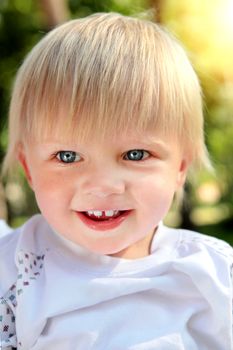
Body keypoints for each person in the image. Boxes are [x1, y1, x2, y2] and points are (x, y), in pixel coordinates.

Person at [0, 12, 232, 350]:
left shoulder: (215, 277)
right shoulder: (13, 269)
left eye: (135, 155)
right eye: (67, 157)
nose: (103, 185)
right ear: (29, 169)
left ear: (181, 166)